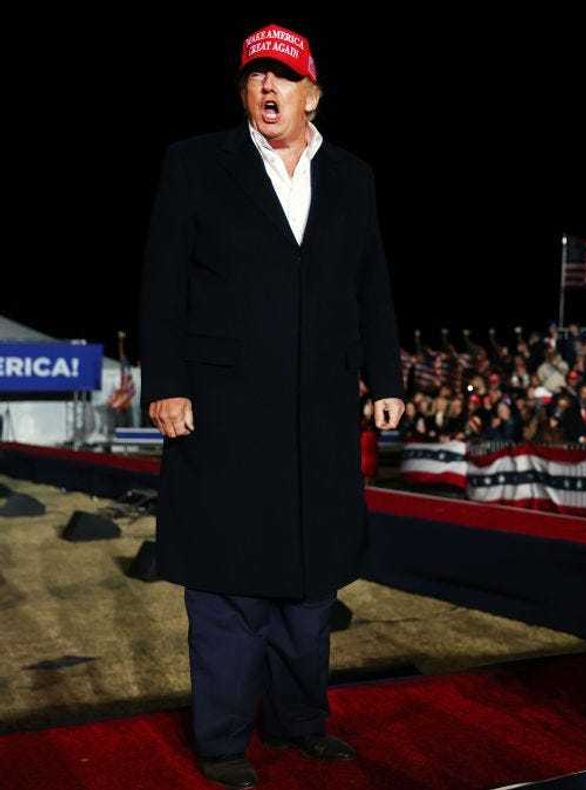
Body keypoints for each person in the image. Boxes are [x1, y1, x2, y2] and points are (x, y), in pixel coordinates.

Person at [139, 24, 403, 788]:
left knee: (309, 584)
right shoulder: (194, 164)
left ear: (310, 92)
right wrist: (167, 381)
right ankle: (222, 743)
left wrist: (385, 380)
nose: (265, 89)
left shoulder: (353, 177)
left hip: (318, 417)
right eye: (254, 75)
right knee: (227, 585)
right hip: (219, 412)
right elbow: (163, 282)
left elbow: (371, 287)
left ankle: (299, 723)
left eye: (281, 77)